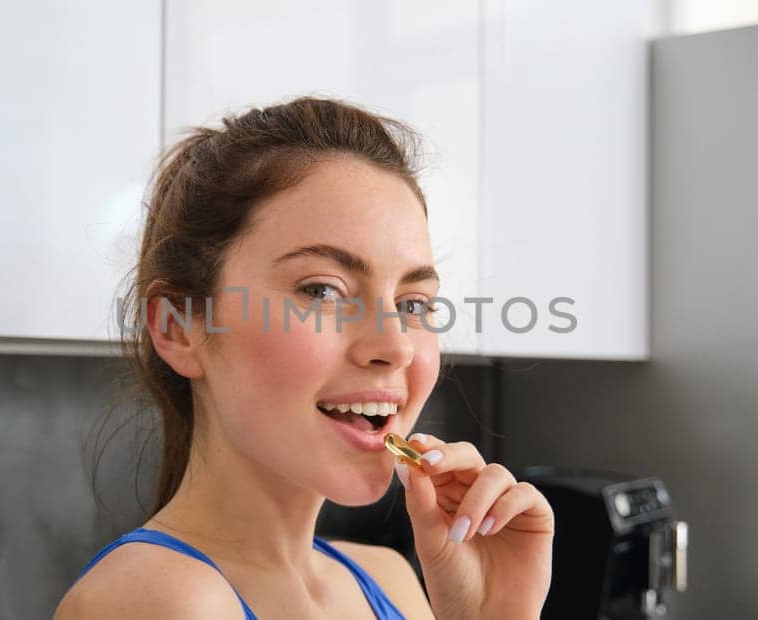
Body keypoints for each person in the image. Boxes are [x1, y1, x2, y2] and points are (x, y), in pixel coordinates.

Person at [55, 97, 553, 619]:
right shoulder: (158, 600)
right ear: (179, 329)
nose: (396, 346)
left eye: (412, 304)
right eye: (322, 291)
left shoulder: (388, 580)